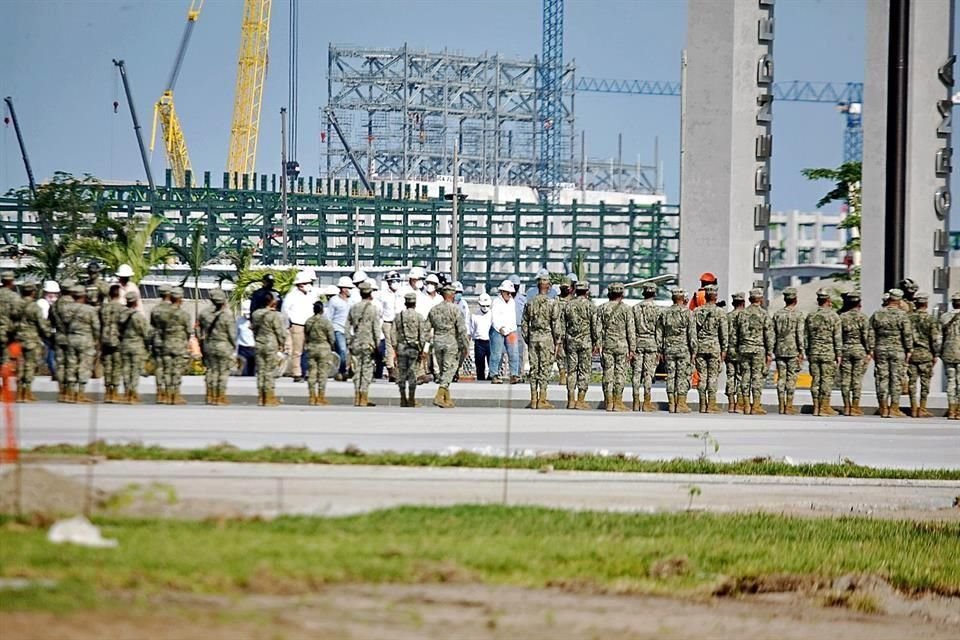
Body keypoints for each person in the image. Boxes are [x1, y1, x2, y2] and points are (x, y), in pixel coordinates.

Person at [868, 289, 913, 418]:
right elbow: (907, 334)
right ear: (899, 300)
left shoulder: (878, 314)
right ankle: (894, 408)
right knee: (896, 379)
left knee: (882, 378)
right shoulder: (902, 315)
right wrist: (909, 349)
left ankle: (883, 407)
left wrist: (871, 349)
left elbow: (871, 332)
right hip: (898, 350)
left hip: (881, 348)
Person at [521, 271, 561, 409]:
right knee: (544, 368)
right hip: (546, 338)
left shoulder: (530, 303)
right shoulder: (552, 303)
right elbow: (556, 324)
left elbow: (524, 323)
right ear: (548, 287)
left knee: (534, 368)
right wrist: (557, 341)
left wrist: (528, 338)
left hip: (533, 337)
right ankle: (542, 399)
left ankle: (533, 398)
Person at [593, 282, 635, 412]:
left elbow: (597, 329)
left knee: (607, 373)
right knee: (620, 373)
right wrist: (632, 348)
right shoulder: (626, 309)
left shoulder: (601, 308)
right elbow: (631, 330)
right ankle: (618, 401)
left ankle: (609, 401)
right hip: (622, 345)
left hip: (607, 345)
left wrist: (598, 343)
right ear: (622, 294)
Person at [732, 288, 773, 415]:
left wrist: (736, 348)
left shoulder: (742, 314)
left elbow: (735, 334)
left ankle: (745, 404)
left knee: (745, 376)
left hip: (744, 348)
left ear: (749, 299)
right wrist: (769, 352)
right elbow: (769, 335)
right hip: (758, 349)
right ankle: (755, 405)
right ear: (760, 299)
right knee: (756, 377)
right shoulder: (764, 314)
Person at [427, 283, 469, 408]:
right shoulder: (455, 309)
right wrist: (465, 345)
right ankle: (439, 396)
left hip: (438, 342)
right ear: (452, 295)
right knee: (450, 370)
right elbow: (461, 330)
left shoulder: (434, 309)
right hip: (451, 342)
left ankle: (447, 398)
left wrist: (425, 346)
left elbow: (426, 327)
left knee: (444, 371)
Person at [659, 287, 698, 413]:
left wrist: (660, 349)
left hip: (669, 348)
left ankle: (671, 403)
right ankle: (681, 403)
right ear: (683, 299)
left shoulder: (665, 313)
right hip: (683, 349)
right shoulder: (688, 313)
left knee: (671, 376)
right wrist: (694, 351)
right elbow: (692, 334)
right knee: (683, 376)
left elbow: (659, 332)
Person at [805, 288, 843, 417]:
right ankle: (824, 407)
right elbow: (837, 337)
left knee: (816, 380)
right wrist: (838, 353)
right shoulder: (833, 316)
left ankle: (816, 406)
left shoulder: (811, 316)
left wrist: (807, 351)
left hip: (814, 351)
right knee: (826, 380)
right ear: (828, 300)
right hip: (828, 352)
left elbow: (806, 336)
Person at [198, 288, 237, 406]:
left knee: (211, 370)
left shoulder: (204, 314)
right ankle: (220, 396)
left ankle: (210, 395)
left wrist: (201, 343)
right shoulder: (227, 315)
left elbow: (199, 330)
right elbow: (232, 334)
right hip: (223, 345)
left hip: (209, 344)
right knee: (223, 372)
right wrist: (234, 346)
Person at [907, 292, 942, 418]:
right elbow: (935, 339)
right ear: (926, 304)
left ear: (915, 303)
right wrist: (936, 354)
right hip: (926, 354)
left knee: (911, 382)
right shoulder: (931, 319)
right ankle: (922, 407)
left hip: (911, 354)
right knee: (925, 383)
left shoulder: (908, 318)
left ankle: (913, 408)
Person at [62, 285, 100, 403]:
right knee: (84, 366)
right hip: (85, 339)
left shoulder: (66, 308)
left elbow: (63, 323)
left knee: (71, 365)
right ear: (83, 295)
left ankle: (70, 393)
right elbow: (96, 326)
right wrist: (97, 340)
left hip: (71, 338)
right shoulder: (89, 310)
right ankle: (81, 393)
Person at [693, 284, 727, 413]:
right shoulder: (720, 312)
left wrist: (694, 348)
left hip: (700, 347)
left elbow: (693, 332)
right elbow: (724, 332)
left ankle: (702, 403)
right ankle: (711, 404)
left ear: (705, 296)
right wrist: (724, 349)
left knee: (702, 376)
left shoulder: (697, 311)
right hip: (714, 347)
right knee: (713, 376)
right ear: (716, 296)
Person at [14, 282, 50, 402]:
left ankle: (19, 392)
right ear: (33, 292)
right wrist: (48, 335)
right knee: (30, 365)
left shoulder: (16, 305)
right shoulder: (35, 307)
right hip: (31, 339)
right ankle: (27, 392)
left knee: (20, 365)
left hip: (17, 339)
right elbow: (42, 325)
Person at [561, 279, 595, 410]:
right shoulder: (591, 306)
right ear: (586, 291)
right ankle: (580, 399)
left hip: (571, 341)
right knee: (584, 371)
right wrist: (597, 341)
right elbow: (595, 326)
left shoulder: (568, 305)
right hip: (586, 341)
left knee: (572, 371)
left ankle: (570, 399)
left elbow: (562, 324)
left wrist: (563, 339)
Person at [347, 280, 381, 407]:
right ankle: (364, 397)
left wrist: (348, 340)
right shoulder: (373, 309)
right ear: (370, 293)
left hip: (356, 342)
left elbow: (347, 326)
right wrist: (377, 345)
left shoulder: (354, 308)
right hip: (368, 343)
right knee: (366, 371)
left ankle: (357, 396)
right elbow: (376, 328)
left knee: (356, 371)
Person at [772, 287, 805, 415]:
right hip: (793, 349)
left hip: (780, 349)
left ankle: (781, 405)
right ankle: (789, 405)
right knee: (791, 377)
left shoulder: (777, 314)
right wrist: (801, 350)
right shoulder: (798, 314)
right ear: (795, 299)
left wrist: (772, 349)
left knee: (781, 377)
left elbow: (772, 333)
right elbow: (800, 334)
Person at [393, 292, 430, 407]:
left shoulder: (399, 316)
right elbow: (423, 335)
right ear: (415, 303)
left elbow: (393, 333)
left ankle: (403, 398)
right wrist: (424, 350)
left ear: (405, 303)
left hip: (401, 348)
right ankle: (411, 399)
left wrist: (395, 346)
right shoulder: (419, 317)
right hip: (414, 348)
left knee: (402, 374)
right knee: (413, 374)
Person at [252, 293, 287, 407]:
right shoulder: (275, 315)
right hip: (271, 344)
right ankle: (269, 397)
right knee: (270, 371)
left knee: (260, 371)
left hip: (259, 343)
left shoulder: (256, 314)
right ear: (271, 301)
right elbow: (280, 332)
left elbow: (253, 329)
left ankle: (261, 397)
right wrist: (282, 343)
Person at [630, 283, 661, 412]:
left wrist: (632, 346)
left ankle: (635, 401)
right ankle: (647, 401)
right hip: (652, 342)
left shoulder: (635, 308)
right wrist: (659, 347)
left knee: (637, 373)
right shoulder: (658, 310)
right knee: (648, 373)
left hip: (638, 341)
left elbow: (631, 328)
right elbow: (659, 330)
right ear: (654, 293)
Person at [839, 292, 870, 416]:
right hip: (859, 349)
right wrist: (869, 351)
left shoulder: (842, 317)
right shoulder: (863, 317)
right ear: (859, 303)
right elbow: (866, 336)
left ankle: (847, 406)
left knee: (845, 379)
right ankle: (855, 406)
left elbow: (838, 335)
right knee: (857, 379)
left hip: (845, 348)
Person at [283, 271, 316, 382]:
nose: (309, 285)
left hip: (310, 325)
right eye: (307, 283)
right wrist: (288, 325)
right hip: (297, 325)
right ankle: (297, 373)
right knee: (297, 351)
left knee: (309, 350)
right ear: (301, 284)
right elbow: (285, 311)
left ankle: (307, 371)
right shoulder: (291, 296)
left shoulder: (311, 295)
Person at [118, 290, 151, 404]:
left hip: (124, 344)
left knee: (126, 370)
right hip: (137, 345)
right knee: (135, 370)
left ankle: (126, 392)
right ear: (136, 302)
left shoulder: (121, 314)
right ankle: (133, 393)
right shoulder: (138, 316)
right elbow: (146, 332)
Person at [161, 287, 191, 405]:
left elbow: (159, 328)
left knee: (167, 370)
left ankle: (168, 395)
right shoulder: (184, 314)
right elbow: (188, 331)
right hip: (179, 345)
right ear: (180, 299)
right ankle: (176, 395)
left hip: (166, 344)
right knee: (177, 370)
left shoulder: (163, 314)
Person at [304, 300, 336, 406]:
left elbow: (306, 335)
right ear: (322, 310)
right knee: (322, 373)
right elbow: (331, 337)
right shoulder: (326, 322)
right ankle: (321, 397)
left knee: (312, 373)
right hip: (323, 348)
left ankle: (312, 397)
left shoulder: (308, 321)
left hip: (312, 348)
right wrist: (332, 345)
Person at [489, 280, 520, 384]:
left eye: (511, 292)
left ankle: (514, 375)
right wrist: (500, 328)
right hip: (498, 330)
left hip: (511, 330)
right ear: (502, 291)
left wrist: (510, 329)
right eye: (508, 292)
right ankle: (494, 374)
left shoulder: (512, 302)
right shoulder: (496, 302)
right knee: (496, 354)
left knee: (514, 353)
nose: (509, 294)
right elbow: (494, 317)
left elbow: (512, 317)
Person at [50, 278, 75, 400]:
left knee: (60, 365)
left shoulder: (55, 305)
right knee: (71, 364)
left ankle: (62, 391)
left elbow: (51, 322)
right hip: (71, 337)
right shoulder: (75, 305)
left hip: (59, 336)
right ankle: (70, 391)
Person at [99, 284, 125, 403]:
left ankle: (107, 392)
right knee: (116, 366)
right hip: (117, 340)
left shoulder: (103, 308)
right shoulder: (122, 309)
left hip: (105, 339)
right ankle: (114, 392)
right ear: (118, 294)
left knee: (107, 366)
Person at [326, 276, 355, 380]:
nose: (350, 291)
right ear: (343, 289)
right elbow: (329, 316)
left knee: (349, 352)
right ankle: (342, 371)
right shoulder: (334, 301)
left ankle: (348, 370)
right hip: (338, 329)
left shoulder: (352, 301)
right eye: (349, 288)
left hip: (349, 330)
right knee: (342, 350)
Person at [150, 284, 173, 403]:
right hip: (170, 341)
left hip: (157, 340)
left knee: (159, 367)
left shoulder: (155, 309)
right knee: (169, 367)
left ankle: (159, 392)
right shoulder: (173, 309)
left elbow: (152, 325)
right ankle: (169, 392)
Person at [724, 292, 746, 413]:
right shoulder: (745, 316)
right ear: (743, 302)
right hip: (741, 350)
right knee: (742, 377)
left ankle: (731, 404)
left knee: (730, 376)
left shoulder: (727, 317)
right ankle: (740, 403)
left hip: (729, 350)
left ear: (733, 303)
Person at [940, 291, 960, 420]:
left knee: (951, 382)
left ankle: (951, 410)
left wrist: (938, 352)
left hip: (948, 351)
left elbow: (938, 337)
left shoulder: (944, 317)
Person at [380, 270, 403, 382]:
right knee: (389, 345)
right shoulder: (383, 295)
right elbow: (380, 311)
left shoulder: (401, 293)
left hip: (399, 322)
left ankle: (398, 368)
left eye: (397, 281)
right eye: (392, 281)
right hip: (388, 322)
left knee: (399, 345)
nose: (395, 283)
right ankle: (391, 369)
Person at [555, 274, 576, 385]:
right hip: (559, 332)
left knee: (571, 354)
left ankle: (570, 375)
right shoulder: (555, 300)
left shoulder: (574, 301)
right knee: (560, 355)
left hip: (572, 332)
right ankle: (562, 374)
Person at [0, 271, 24, 367]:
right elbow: (18, 313)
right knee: (6, 358)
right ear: (12, 281)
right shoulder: (14, 297)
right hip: (7, 331)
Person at [37, 280, 59, 377]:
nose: (53, 298)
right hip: (46, 334)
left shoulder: (56, 304)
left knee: (51, 355)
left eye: (55, 295)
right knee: (49, 355)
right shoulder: (42, 304)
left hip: (53, 333)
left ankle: (54, 371)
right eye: (50, 295)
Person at [469, 293, 493, 381]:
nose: (485, 308)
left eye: (487, 306)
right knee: (479, 364)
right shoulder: (474, 315)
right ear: (479, 304)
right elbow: (472, 329)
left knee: (492, 363)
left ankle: (491, 378)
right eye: (483, 305)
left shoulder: (492, 314)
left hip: (490, 342)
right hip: (479, 342)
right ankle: (480, 380)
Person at [236, 299, 256, 376]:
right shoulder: (239, 321)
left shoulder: (256, 320)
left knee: (253, 371)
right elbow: (236, 334)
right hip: (243, 348)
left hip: (254, 347)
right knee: (244, 372)